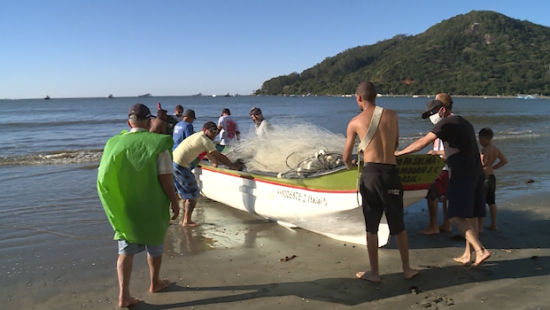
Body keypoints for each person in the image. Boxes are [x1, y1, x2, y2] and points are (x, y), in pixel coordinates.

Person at [97, 103, 180, 308]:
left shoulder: (113, 143)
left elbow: (103, 176)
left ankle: (124, 295)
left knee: (125, 249)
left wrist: (111, 202)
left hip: (124, 205)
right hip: (152, 204)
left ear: (128, 122)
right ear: (149, 121)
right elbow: (166, 179)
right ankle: (155, 282)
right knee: (155, 244)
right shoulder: (157, 144)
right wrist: (175, 200)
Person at [395, 98, 491, 267]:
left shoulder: (446, 123)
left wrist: (399, 153)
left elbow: (422, 142)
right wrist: (439, 153)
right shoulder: (464, 122)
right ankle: (468, 254)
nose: (432, 117)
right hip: (476, 174)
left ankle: (480, 250)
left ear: (442, 110)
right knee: (471, 216)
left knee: (455, 216)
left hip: (462, 176)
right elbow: (462, 152)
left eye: (433, 113)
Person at [343, 81, 418, 283]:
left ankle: (375, 273)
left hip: (371, 175)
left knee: (372, 226)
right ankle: (407, 269)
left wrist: (351, 166)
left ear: (359, 98)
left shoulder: (354, 122)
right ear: (376, 96)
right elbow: (394, 143)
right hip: (391, 173)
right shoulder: (393, 115)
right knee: (399, 224)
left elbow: (345, 157)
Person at [173, 121, 242, 227]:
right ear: (205, 130)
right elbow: (219, 156)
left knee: (181, 193)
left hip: (173, 162)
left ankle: (173, 217)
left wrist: (214, 163)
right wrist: (234, 166)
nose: (214, 134)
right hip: (181, 166)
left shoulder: (198, 136)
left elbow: (209, 153)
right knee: (193, 193)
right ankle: (186, 221)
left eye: (216, 132)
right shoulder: (205, 140)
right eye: (212, 132)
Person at [418, 93, 453, 235]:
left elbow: (451, 151)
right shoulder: (449, 122)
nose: (432, 114)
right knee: (446, 197)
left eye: (434, 110)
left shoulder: (447, 124)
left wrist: (436, 153)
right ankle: (446, 224)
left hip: (444, 168)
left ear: (442, 108)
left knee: (431, 194)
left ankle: (433, 226)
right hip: (446, 167)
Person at [478, 127, 508, 231]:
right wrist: (493, 167)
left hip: (484, 177)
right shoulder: (495, 149)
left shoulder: (483, 150)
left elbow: (482, 163)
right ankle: (494, 224)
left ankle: (480, 227)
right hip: (492, 177)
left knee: (481, 202)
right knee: (491, 202)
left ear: (483, 138)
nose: (479, 141)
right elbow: (504, 161)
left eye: (479, 138)